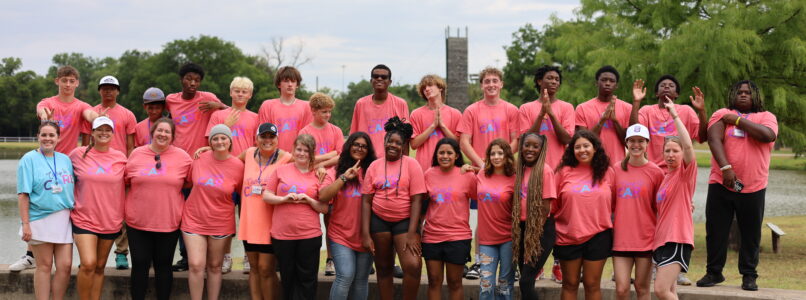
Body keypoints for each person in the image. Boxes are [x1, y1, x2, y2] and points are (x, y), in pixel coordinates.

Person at [697, 80, 778, 291]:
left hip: (753, 185)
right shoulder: (722, 113)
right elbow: (713, 139)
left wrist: (738, 121)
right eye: (739, 92)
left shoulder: (766, 117)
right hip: (721, 183)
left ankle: (749, 275)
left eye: (748, 93)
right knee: (715, 230)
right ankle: (714, 272)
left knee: (751, 233)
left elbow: (767, 135)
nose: (743, 95)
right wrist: (726, 168)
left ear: (756, 97)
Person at [165, 62, 225, 271]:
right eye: (189, 78)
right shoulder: (171, 100)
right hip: (177, 163)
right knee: (179, 210)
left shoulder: (207, 97)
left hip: (202, 162)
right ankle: (185, 256)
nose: (192, 83)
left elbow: (230, 111)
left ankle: (207, 256)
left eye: (196, 80)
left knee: (198, 210)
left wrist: (218, 106)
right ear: (181, 79)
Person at [125, 118, 192, 300]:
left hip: (168, 222)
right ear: (152, 133)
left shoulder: (184, 158)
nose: (162, 134)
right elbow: (125, 181)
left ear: (172, 136)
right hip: (137, 222)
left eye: (167, 132)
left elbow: (191, 182)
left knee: (164, 265)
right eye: (159, 131)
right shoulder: (137, 154)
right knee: (139, 264)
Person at [519, 65, 574, 283]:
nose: (554, 82)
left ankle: (558, 264)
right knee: (533, 216)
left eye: (557, 79)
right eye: (549, 78)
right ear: (539, 81)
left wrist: (551, 114)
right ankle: (535, 263)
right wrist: (541, 113)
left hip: (559, 171)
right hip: (532, 174)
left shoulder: (567, 107)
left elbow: (567, 138)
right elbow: (526, 140)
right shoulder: (525, 108)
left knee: (558, 218)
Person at [361, 117, 425, 300]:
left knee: (412, 265)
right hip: (379, 221)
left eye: (398, 143)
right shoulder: (374, 166)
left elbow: (417, 200)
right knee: (383, 267)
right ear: (384, 142)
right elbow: (366, 201)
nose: (393, 145)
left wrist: (413, 233)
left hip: (404, 222)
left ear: (404, 145)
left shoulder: (413, 165)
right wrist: (365, 234)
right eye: (390, 141)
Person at [182, 124, 245, 300]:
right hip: (194, 218)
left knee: (215, 266)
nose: (219, 141)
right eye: (215, 138)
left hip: (221, 221)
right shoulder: (199, 158)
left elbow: (242, 194)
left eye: (223, 138)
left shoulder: (238, 166)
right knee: (195, 264)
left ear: (230, 141)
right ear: (210, 142)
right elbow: (185, 182)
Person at [263, 134, 329, 300]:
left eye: (306, 150)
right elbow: (266, 196)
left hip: (309, 235)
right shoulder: (280, 170)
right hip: (282, 235)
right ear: (293, 149)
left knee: (308, 279)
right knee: (287, 278)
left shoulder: (319, 174)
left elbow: (324, 208)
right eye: (298, 149)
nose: (301, 153)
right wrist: (283, 199)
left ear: (312, 153)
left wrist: (308, 199)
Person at [204, 76, 259, 273]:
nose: (240, 94)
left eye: (244, 91)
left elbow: (258, 146)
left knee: (247, 216)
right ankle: (225, 256)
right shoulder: (219, 116)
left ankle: (247, 256)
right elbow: (208, 143)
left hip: (246, 174)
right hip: (222, 173)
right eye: (237, 90)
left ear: (250, 95)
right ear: (230, 92)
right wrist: (226, 124)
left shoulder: (255, 117)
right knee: (225, 217)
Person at [70, 116, 127, 300]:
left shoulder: (120, 158)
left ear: (113, 133)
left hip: (110, 220)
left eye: (107, 130)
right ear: (92, 133)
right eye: (99, 129)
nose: (103, 133)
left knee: (100, 266)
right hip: (83, 218)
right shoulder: (77, 155)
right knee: (88, 263)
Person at [17, 121, 75, 300]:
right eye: (44, 135)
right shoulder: (29, 159)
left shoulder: (65, 159)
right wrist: (26, 224)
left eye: (52, 135)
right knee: (45, 265)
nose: (47, 139)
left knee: (65, 266)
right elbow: (23, 195)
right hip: (39, 218)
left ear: (58, 138)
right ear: (38, 136)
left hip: (64, 218)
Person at [554, 130, 615, 300]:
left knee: (592, 284)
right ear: (572, 150)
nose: (582, 150)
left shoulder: (607, 172)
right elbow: (553, 204)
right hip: (568, 235)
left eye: (586, 146)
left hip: (598, 235)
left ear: (595, 148)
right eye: (577, 147)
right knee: (570, 284)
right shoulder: (563, 172)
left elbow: (615, 203)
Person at [319, 132, 378, 300]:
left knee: (360, 280)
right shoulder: (335, 171)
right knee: (345, 276)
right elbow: (323, 196)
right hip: (341, 235)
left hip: (367, 236)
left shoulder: (373, 171)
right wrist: (344, 177)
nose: (359, 148)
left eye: (364, 146)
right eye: (356, 144)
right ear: (348, 146)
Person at [651, 96, 697, 300]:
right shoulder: (664, 177)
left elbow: (688, 147)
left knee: (661, 290)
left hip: (677, 238)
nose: (671, 155)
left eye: (675, 151)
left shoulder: (684, 174)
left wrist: (675, 115)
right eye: (667, 151)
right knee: (670, 291)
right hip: (662, 240)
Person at [612, 124, 664, 300]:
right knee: (621, 289)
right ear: (626, 143)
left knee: (642, 289)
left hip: (646, 239)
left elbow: (662, 204)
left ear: (647, 143)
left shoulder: (656, 172)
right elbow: (608, 203)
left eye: (641, 141)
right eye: (632, 141)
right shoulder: (615, 169)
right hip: (621, 239)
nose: (636, 145)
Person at [239, 122, 289, 300]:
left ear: (277, 139)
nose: (267, 140)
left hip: (270, 222)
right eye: (263, 136)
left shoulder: (285, 157)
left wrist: (321, 167)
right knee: (253, 268)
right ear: (256, 138)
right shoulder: (249, 154)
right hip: (249, 221)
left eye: (271, 136)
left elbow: (307, 162)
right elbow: (227, 164)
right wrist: (208, 147)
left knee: (266, 268)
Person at [422, 138, 476, 300]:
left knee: (455, 282)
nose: (445, 156)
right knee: (434, 281)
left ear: (457, 156)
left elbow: (483, 185)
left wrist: (473, 169)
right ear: (436, 155)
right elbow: (422, 204)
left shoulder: (467, 175)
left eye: (449, 153)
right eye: (441, 152)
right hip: (432, 236)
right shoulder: (428, 174)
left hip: (458, 237)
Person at [512, 133, 557, 300]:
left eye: (535, 146)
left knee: (526, 281)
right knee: (526, 279)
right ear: (521, 146)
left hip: (539, 231)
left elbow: (545, 208)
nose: (530, 149)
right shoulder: (518, 169)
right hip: (521, 229)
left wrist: (533, 236)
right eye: (527, 145)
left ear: (541, 149)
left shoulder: (545, 171)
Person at [629, 75, 707, 167]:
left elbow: (702, 138)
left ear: (677, 94)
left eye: (671, 85)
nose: (666, 87)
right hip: (653, 168)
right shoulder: (647, 111)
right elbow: (634, 131)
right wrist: (636, 102)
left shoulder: (686, 111)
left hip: (679, 169)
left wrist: (702, 111)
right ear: (657, 93)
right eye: (662, 85)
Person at [475, 139, 516, 299]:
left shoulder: (514, 178)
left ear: (507, 156)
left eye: (500, 153)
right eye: (492, 153)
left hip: (508, 239)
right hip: (486, 240)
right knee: (486, 285)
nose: (496, 157)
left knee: (505, 285)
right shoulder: (481, 174)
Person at [458, 67, 520, 168]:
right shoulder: (471, 111)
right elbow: (464, 142)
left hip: (505, 168)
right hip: (480, 169)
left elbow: (516, 141)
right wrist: (482, 164)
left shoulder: (512, 110)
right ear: (482, 86)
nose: (491, 85)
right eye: (487, 82)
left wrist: (500, 158)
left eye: (495, 81)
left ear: (501, 84)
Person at [575, 65, 632, 163]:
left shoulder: (627, 108)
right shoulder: (582, 108)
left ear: (616, 85)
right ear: (596, 83)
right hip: (591, 164)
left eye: (611, 81)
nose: (607, 83)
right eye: (604, 80)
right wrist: (602, 120)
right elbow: (583, 141)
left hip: (618, 165)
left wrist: (615, 121)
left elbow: (628, 143)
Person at [36, 65, 97, 154]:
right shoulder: (47, 103)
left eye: (71, 81)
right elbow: (42, 111)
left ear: (77, 83)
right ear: (57, 81)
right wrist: (45, 117)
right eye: (64, 81)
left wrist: (98, 117)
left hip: (69, 160)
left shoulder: (82, 106)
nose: (68, 84)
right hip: (47, 157)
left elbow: (90, 114)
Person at [350, 64, 410, 155]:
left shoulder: (400, 104)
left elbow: (405, 137)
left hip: (391, 159)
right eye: (375, 76)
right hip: (366, 160)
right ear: (371, 81)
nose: (379, 79)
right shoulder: (360, 103)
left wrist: (405, 161)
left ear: (390, 82)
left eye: (384, 77)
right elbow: (353, 136)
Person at [409, 74, 462, 172]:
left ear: (440, 88)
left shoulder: (455, 113)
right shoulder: (416, 114)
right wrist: (433, 126)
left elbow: (459, 144)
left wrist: (442, 126)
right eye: (424, 88)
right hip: (424, 167)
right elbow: (414, 144)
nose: (427, 89)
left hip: (449, 167)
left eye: (430, 85)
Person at [258, 66, 313, 152]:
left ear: (297, 85)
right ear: (279, 84)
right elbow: (263, 136)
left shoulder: (307, 106)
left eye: (293, 81)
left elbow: (309, 137)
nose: (290, 84)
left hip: (298, 158)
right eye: (286, 81)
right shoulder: (267, 106)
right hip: (273, 157)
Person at [81, 75, 137, 155]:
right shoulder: (92, 113)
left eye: (112, 89)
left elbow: (131, 147)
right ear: (99, 91)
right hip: (96, 161)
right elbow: (85, 145)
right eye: (105, 88)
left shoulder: (128, 115)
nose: (108, 91)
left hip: (119, 161)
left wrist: (128, 164)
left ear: (118, 92)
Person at [300, 92, 344, 170]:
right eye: (324, 112)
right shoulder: (304, 132)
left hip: (332, 175)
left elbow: (341, 157)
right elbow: (304, 158)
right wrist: (330, 155)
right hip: (311, 175)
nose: (328, 115)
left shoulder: (337, 131)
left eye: (329, 111)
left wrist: (320, 165)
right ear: (313, 111)